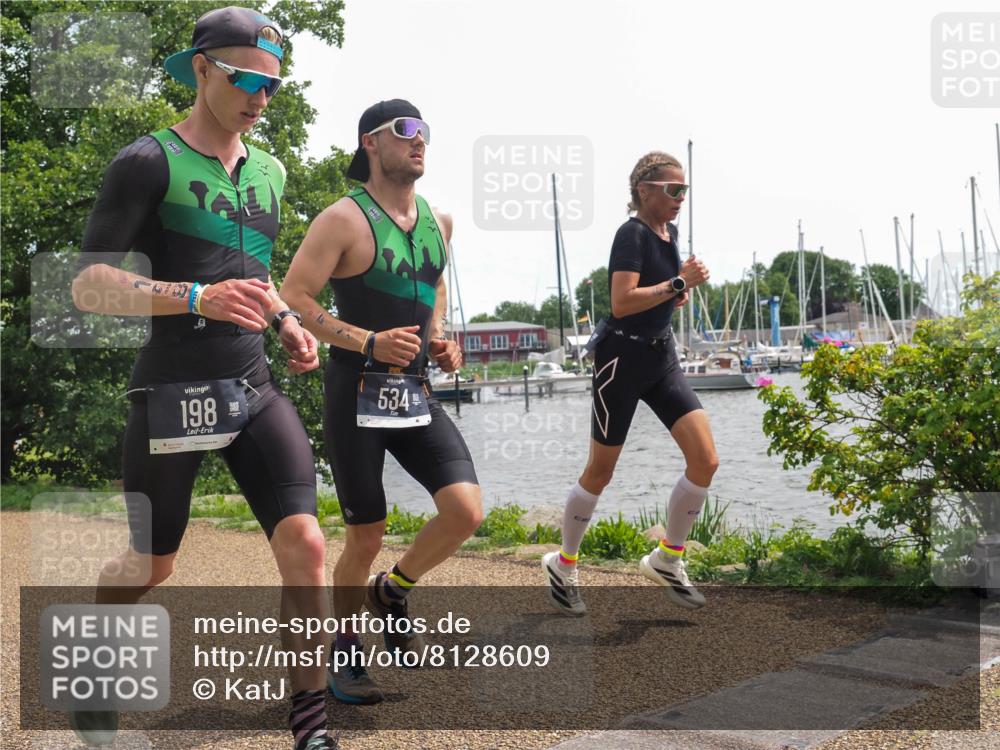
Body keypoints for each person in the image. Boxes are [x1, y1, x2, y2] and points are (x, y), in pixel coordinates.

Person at [69, 7, 336, 748]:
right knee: (151, 565)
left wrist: (286, 320)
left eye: (272, 86)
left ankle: (310, 724)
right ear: (200, 69)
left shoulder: (271, 170)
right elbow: (87, 285)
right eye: (245, 80)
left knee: (307, 544)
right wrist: (194, 297)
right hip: (172, 391)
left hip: (252, 385)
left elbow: (256, 278)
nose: (260, 97)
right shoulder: (146, 162)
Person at [280, 99, 482, 704]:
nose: (420, 141)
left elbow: (435, 285)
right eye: (405, 130)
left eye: (425, 131)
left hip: (414, 390)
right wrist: (367, 340)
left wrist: (439, 337)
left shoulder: (440, 221)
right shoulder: (342, 219)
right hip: (356, 392)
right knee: (365, 536)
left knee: (465, 511)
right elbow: (295, 297)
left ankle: (391, 591)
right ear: (371, 142)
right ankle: (344, 650)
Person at [542, 151, 717, 616]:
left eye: (685, 190)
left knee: (705, 460)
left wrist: (673, 295)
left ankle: (667, 559)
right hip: (620, 361)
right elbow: (621, 302)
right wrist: (678, 284)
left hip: (661, 359)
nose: (681, 198)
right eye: (674, 189)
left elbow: (654, 294)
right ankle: (563, 564)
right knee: (600, 472)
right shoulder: (632, 234)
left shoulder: (669, 234)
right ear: (644, 191)